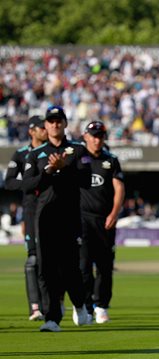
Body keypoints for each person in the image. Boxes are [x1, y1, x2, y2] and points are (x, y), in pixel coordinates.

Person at [22, 105, 92, 332]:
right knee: (46, 268)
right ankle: (51, 318)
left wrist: (65, 168)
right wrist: (48, 172)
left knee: (70, 268)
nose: (54, 124)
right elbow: (26, 185)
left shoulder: (78, 151)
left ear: (65, 123)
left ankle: (80, 305)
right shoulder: (35, 154)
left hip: (69, 216)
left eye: (58, 120)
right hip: (44, 218)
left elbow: (87, 180)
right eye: (50, 121)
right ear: (46, 125)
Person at [79, 121, 125, 324]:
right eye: (94, 136)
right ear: (86, 136)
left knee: (105, 266)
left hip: (105, 220)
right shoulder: (78, 159)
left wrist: (114, 213)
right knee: (84, 265)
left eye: (101, 136)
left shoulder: (111, 160)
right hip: (82, 219)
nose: (97, 140)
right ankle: (85, 306)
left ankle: (102, 306)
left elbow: (119, 189)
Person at [4, 116, 48, 321]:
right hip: (31, 209)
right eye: (41, 127)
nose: (45, 130)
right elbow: (9, 182)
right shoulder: (21, 154)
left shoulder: (54, 150)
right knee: (32, 259)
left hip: (53, 208)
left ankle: (54, 302)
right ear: (32, 131)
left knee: (55, 258)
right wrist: (31, 184)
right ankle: (36, 307)